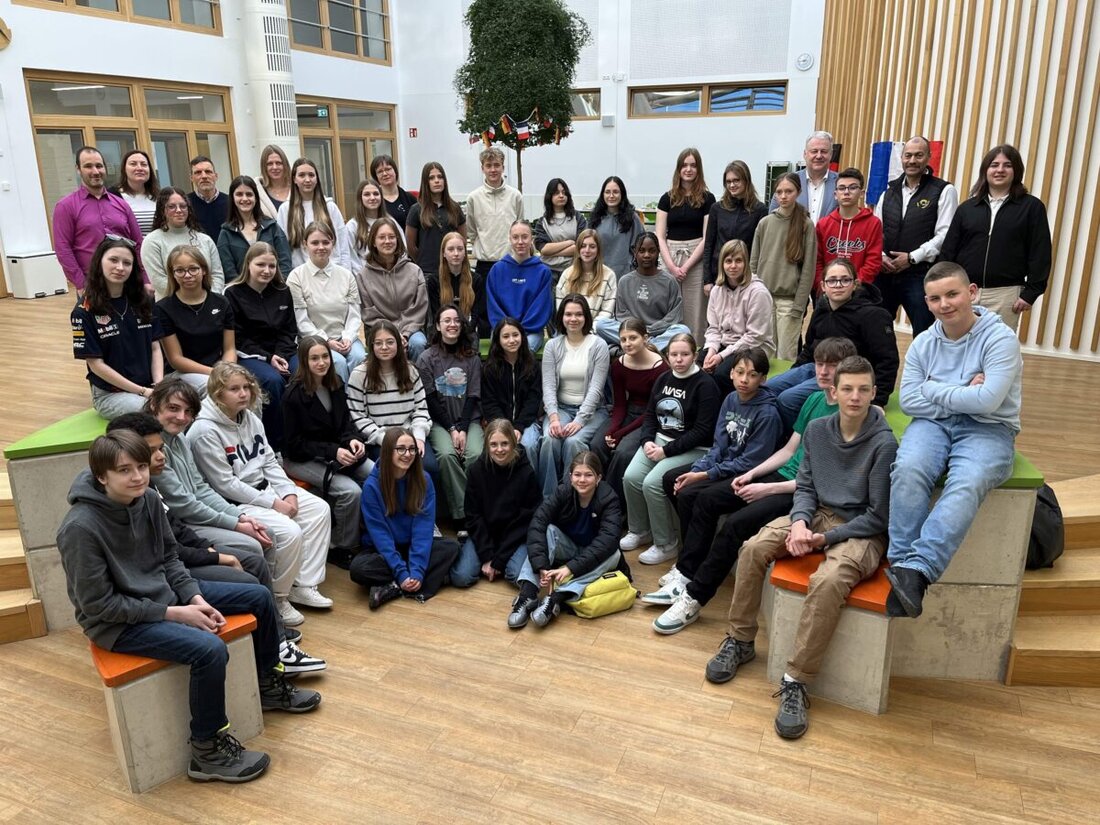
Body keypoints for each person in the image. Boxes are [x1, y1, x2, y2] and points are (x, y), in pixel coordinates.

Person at [56, 431, 320, 784]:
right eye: (124, 470)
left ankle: (268, 683)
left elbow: (169, 559)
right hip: (117, 624)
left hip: (164, 595)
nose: (137, 476)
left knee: (258, 596)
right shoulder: (79, 529)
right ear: (102, 476)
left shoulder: (148, 499)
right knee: (209, 649)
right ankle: (206, 751)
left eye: (141, 467)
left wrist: (194, 598)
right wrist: (176, 613)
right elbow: (99, 605)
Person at [705, 356, 896, 742]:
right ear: (833, 392)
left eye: (863, 390)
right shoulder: (817, 430)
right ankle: (740, 640)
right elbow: (806, 486)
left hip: (860, 529)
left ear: (874, 393)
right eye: (847, 389)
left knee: (828, 581)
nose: (855, 397)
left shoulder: (884, 443)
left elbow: (878, 516)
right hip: (817, 514)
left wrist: (822, 540)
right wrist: (799, 523)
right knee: (753, 547)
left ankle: (796, 679)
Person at [649, 338, 856, 634]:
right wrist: (752, 475)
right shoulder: (814, 400)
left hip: (798, 491)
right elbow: (788, 451)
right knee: (705, 500)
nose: (823, 371)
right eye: (819, 364)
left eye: (831, 366)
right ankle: (686, 572)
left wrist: (765, 488)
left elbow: (822, 480)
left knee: (735, 524)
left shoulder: (845, 416)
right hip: (777, 475)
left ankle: (693, 598)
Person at [104, 412, 325, 672]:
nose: (161, 457)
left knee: (253, 561)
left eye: (160, 449)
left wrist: (213, 543)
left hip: (174, 568)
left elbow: (175, 532)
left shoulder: (148, 491)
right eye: (150, 452)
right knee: (250, 582)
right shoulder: (127, 498)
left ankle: (274, 639)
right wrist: (216, 556)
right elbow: (168, 552)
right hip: (162, 585)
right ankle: (272, 655)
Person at [885, 262, 1023, 617]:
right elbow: (909, 400)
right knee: (908, 469)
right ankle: (900, 567)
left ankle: (918, 570)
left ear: (971, 292)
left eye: (952, 294)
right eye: (935, 298)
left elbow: (987, 401)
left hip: (989, 427)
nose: (944, 304)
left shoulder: (1000, 339)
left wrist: (933, 388)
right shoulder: (923, 343)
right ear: (926, 302)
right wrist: (963, 389)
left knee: (968, 481)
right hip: (933, 423)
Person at [142, 378, 310, 630]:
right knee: (252, 544)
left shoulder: (179, 439)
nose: (181, 417)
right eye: (173, 408)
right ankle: (266, 617)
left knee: (267, 532)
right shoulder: (153, 448)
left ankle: (273, 607)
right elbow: (184, 505)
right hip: (185, 525)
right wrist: (236, 523)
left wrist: (240, 517)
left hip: (195, 517)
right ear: (154, 404)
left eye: (188, 411)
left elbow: (200, 488)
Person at [647, 347, 783, 633]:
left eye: (752, 375)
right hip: (724, 466)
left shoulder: (767, 413)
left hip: (747, 475)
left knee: (700, 496)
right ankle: (687, 565)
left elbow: (751, 462)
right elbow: (719, 447)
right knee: (674, 481)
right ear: (731, 373)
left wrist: (704, 474)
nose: (744, 379)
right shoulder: (730, 399)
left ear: (763, 379)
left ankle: (688, 569)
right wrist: (698, 469)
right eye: (740, 372)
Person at [188, 362, 334, 613]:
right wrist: (274, 504)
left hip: (267, 489)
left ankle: (303, 585)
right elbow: (225, 484)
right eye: (234, 389)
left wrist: (288, 491)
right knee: (289, 532)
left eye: (246, 387)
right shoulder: (204, 431)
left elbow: (269, 461)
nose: (243, 393)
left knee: (319, 509)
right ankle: (278, 598)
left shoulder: (250, 417)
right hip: (235, 503)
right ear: (218, 393)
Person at [619, 332, 719, 565]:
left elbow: (703, 430)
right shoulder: (663, 379)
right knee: (631, 477)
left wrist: (666, 451)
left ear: (695, 355)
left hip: (693, 448)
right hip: (658, 441)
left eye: (685, 354)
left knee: (652, 483)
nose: (679, 359)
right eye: (674, 354)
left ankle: (666, 544)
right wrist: (646, 441)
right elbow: (650, 415)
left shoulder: (706, 385)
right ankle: (640, 530)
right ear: (667, 356)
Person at [768, 259, 899, 426]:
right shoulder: (821, 310)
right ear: (823, 286)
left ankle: (799, 436)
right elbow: (809, 348)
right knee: (768, 388)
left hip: (845, 376)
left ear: (855, 284)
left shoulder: (873, 315)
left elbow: (887, 360)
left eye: (845, 280)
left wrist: (878, 400)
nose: (838, 285)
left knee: (788, 399)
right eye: (832, 280)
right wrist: (794, 374)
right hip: (815, 368)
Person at [940, 144, 1052, 331]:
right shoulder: (967, 208)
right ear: (985, 170)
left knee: (996, 346)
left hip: (1006, 295)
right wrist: (945, 287)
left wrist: (1031, 293)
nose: (1000, 170)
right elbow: (948, 251)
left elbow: (1040, 253)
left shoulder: (1032, 207)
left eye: (1007, 165)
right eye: (994, 165)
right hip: (964, 292)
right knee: (959, 343)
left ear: (1016, 171)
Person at [282, 336, 372, 566]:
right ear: (304, 361)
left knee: (375, 472)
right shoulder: (292, 396)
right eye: (314, 358)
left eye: (325, 356)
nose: (321, 362)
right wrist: (334, 451)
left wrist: (353, 440)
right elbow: (294, 445)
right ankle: (341, 546)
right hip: (301, 459)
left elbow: (345, 424)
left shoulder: (336, 382)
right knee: (351, 492)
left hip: (334, 452)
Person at [350, 427, 460, 608]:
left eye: (412, 449)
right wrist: (401, 572)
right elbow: (380, 536)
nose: (407, 454)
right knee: (359, 568)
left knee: (452, 547)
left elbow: (423, 530)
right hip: (382, 550)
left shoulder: (424, 480)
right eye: (401, 449)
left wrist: (416, 571)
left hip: (411, 545)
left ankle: (393, 586)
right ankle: (410, 581)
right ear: (388, 451)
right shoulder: (372, 486)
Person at [514, 451, 624, 628]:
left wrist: (570, 568)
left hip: (592, 555)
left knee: (614, 553)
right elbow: (538, 522)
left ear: (598, 478)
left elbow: (607, 541)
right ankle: (528, 594)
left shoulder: (609, 498)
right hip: (569, 547)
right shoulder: (562, 491)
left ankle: (556, 599)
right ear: (570, 476)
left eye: (588, 475)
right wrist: (541, 566)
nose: (582, 480)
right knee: (548, 530)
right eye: (577, 474)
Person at [874, 136, 959, 336]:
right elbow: (875, 231)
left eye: (919, 155)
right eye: (908, 155)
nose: (912, 160)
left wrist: (912, 257)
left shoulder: (944, 191)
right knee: (877, 330)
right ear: (902, 158)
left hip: (920, 274)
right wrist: (882, 256)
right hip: (886, 273)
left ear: (929, 157)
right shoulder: (888, 192)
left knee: (925, 333)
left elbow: (945, 234)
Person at [71, 237, 163, 420]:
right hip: (111, 394)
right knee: (160, 413)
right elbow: (96, 365)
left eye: (127, 263)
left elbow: (155, 348)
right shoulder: (83, 311)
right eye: (113, 260)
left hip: (149, 387)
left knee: (186, 403)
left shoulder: (144, 301)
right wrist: (143, 392)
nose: (120, 267)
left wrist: (159, 387)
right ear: (99, 262)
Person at [224, 242, 299, 450]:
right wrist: (268, 357)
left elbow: (289, 329)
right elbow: (238, 337)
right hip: (250, 355)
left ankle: (304, 436)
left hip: (283, 352)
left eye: (272, 266)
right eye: (260, 265)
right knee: (273, 381)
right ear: (248, 264)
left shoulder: (283, 291)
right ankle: (276, 445)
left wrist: (280, 354)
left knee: (304, 373)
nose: (267, 270)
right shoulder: (232, 293)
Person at [416, 306, 484, 528]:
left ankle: (477, 509)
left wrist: (462, 428)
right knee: (446, 455)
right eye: (446, 320)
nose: (452, 324)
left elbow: (473, 395)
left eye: (456, 320)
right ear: (438, 325)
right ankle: (464, 516)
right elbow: (430, 399)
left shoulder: (472, 357)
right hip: (440, 423)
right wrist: (452, 429)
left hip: (469, 420)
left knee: (475, 454)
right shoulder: (426, 358)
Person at [454, 419, 542, 593]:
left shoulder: (526, 472)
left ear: (513, 443)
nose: (499, 449)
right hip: (485, 533)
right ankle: (477, 554)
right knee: (461, 576)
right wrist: (487, 556)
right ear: (487, 445)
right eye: (493, 444)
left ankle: (501, 564)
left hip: (516, 537)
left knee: (517, 575)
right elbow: (473, 515)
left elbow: (526, 520)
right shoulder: (476, 471)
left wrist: (500, 559)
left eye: (504, 444)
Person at [538, 294, 611, 497]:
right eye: (568, 314)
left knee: (573, 442)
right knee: (549, 439)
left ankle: (571, 496)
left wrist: (579, 421)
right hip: (560, 409)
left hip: (592, 412)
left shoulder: (598, 345)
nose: (573, 319)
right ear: (561, 317)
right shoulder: (553, 346)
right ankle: (549, 498)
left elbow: (596, 389)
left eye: (579, 314)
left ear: (586, 317)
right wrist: (553, 418)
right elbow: (548, 386)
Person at [590, 317, 668, 502]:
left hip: (650, 417)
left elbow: (652, 411)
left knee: (623, 453)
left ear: (645, 338)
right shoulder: (619, 365)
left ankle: (612, 501)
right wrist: (612, 430)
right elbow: (619, 404)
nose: (627, 343)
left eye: (633, 338)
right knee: (597, 444)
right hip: (627, 411)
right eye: (623, 339)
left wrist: (621, 433)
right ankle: (594, 493)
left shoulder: (660, 368)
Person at [54, 146, 145, 295]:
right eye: (88, 166)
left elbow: (138, 242)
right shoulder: (66, 206)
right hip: (91, 285)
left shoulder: (121, 204)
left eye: (99, 166)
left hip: (126, 282)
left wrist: (144, 279)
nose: (95, 171)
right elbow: (63, 248)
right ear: (78, 169)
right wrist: (81, 284)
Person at [347, 320, 435, 470]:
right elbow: (358, 418)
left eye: (390, 342)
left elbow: (421, 409)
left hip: (410, 436)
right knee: (393, 470)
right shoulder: (359, 375)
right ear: (371, 346)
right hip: (379, 440)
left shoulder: (411, 371)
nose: (384, 347)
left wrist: (418, 437)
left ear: (398, 344)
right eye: (378, 343)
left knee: (429, 467)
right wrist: (387, 441)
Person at [286, 222, 364, 382]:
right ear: (305, 244)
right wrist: (327, 342)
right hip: (314, 340)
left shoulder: (346, 276)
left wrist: (348, 337)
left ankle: (358, 397)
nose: (321, 247)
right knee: (338, 363)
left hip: (345, 338)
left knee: (359, 357)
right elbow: (301, 321)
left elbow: (354, 315)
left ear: (333, 243)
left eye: (325, 242)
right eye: (315, 243)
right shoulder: (296, 277)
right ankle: (342, 398)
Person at [750, 172, 816, 360]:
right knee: (764, 354)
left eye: (789, 191)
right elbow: (753, 263)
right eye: (779, 192)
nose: (783, 196)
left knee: (786, 355)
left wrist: (799, 306)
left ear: (798, 192)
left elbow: (808, 270)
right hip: (764, 298)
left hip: (789, 302)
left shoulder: (806, 225)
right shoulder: (765, 223)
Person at [700, 239, 776, 398]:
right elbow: (713, 328)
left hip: (753, 346)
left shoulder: (758, 292)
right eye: (728, 261)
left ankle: (727, 407)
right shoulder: (716, 291)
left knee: (722, 374)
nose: (733, 266)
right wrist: (711, 351)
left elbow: (755, 336)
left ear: (746, 263)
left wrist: (721, 356)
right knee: (698, 366)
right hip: (724, 342)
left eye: (738, 261)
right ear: (722, 264)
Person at [156, 245, 236, 394]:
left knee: (247, 387)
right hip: (180, 374)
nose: (187, 275)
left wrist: (227, 371)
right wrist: (215, 374)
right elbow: (176, 359)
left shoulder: (222, 302)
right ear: (172, 274)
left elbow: (230, 349)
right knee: (216, 389)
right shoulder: (163, 308)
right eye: (180, 270)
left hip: (219, 369)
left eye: (193, 269)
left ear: (204, 270)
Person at [655, 148, 716, 340]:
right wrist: (672, 267)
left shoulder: (708, 199)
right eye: (684, 165)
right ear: (678, 168)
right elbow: (659, 236)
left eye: (693, 165)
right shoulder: (667, 199)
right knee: (668, 308)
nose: (688, 169)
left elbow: (707, 237)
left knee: (695, 311)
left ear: (699, 169)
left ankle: (695, 348)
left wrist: (686, 267)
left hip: (696, 258)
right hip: (669, 256)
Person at [354, 217, 429, 361]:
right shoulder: (363, 276)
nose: (387, 241)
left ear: (398, 240)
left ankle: (418, 376)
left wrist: (405, 334)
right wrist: (392, 334)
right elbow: (369, 314)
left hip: (411, 331)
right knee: (385, 344)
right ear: (373, 242)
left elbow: (419, 308)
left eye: (391, 237)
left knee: (418, 343)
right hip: (379, 331)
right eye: (382, 237)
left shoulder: (414, 271)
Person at [602, 232, 691, 351]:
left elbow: (674, 316)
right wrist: (639, 330)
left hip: (659, 332)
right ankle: (649, 346)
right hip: (632, 332)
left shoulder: (669, 281)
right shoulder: (624, 281)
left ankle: (644, 346)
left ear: (658, 252)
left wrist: (650, 330)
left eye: (651, 251)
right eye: (642, 251)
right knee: (602, 325)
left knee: (683, 330)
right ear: (635, 252)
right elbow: (621, 314)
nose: (647, 255)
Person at [142, 187, 225, 299]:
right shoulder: (152, 241)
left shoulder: (205, 240)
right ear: (162, 210)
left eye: (183, 206)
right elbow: (159, 280)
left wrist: (209, 299)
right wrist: (189, 300)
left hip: (209, 303)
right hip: (171, 305)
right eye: (171, 206)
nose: (178, 210)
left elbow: (217, 275)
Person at [481, 317, 543, 467]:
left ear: (522, 336)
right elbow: (489, 403)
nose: (512, 340)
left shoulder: (532, 365)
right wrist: (506, 428)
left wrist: (519, 427)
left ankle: (530, 481)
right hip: (498, 423)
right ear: (498, 340)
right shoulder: (490, 368)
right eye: (506, 336)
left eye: (515, 335)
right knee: (498, 447)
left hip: (526, 423)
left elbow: (533, 400)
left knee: (529, 445)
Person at [486, 220, 553, 352]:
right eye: (515, 237)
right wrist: (507, 329)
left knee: (524, 351)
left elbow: (541, 308)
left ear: (531, 239)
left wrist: (519, 331)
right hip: (503, 330)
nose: (520, 242)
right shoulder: (497, 270)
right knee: (500, 351)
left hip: (531, 331)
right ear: (510, 239)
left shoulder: (543, 272)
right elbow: (493, 306)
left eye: (525, 237)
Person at [702, 161, 767, 296]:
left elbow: (761, 249)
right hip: (719, 276)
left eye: (736, 180)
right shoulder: (717, 209)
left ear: (746, 180)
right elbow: (709, 244)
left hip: (746, 278)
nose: (732, 185)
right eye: (728, 181)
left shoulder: (760, 210)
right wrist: (707, 280)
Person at [814, 167, 882, 293]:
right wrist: (823, 286)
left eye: (852, 187)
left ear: (861, 193)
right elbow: (817, 261)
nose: (846, 192)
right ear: (835, 194)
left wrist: (855, 285)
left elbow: (873, 262)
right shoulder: (823, 224)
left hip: (860, 291)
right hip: (828, 291)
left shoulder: (873, 223)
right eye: (842, 188)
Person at [277, 157, 352, 270]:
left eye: (311, 175)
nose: (307, 180)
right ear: (294, 179)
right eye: (302, 175)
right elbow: (282, 249)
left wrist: (345, 273)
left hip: (332, 272)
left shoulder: (330, 207)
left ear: (317, 179)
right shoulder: (285, 210)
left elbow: (343, 246)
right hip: (301, 275)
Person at [217, 175, 293, 279]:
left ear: (256, 198)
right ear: (232, 198)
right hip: (241, 289)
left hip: (274, 287)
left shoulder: (272, 227)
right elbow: (229, 272)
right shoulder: (226, 233)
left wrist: (277, 286)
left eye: (249, 194)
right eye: (239, 194)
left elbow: (285, 263)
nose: (245, 199)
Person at [466, 147, 524, 282]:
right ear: (483, 169)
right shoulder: (473, 198)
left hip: (511, 262)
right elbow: (472, 231)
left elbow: (520, 228)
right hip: (484, 265)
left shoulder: (515, 196)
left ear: (503, 167)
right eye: (488, 165)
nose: (493, 169)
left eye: (497, 165)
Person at [405, 162, 465, 280]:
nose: (437, 181)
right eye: (431, 178)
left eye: (440, 177)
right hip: (427, 272)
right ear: (425, 182)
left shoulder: (455, 208)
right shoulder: (416, 210)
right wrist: (423, 260)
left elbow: (462, 239)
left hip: (452, 270)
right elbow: (410, 245)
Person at [555, 228, 617, 338]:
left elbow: (607, 312)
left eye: (592, 246)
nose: (587, 250)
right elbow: (561, 309)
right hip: (571, 327)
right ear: (578, 249)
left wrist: (589, 330)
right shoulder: (567, 275)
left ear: (598, 250)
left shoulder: (609, 275)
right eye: (583, 246)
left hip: (596, 330)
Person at [428, 231, 487, 341]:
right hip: (443, 333)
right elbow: (436, 315)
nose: (456, 253)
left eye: (460, 249)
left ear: (465, 253)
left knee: (473, 340)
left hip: (467, 332)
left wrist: (463, 332)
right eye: (451, 249)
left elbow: (475, 316)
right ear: (444, 253)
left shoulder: (476, 280)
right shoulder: (434, 281)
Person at [771, 131, 839, 224]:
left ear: (831, 154)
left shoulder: (841, 183)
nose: (819, 156)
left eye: (824, 151)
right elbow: (773, 219)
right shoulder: (789, 182)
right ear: (805, 154)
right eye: (814, 151)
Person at [588, 175, 645, 278]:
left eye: (615, 192)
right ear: (602, 194)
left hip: (626, 275)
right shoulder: (595, 218)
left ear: (622, 194)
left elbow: (640, 246)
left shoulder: (632, 218)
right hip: (599, 274)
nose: (611, 196)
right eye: (607, 192)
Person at [534, 178, 587, 284]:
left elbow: (581, 247)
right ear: (549, 196)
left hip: (574, 270)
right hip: (549, 271)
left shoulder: (578, 218)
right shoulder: (543, 222)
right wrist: (569, 242)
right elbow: (543, 249)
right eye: (557, 193)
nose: (561, 195)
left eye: (564, 192)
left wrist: (552, 252)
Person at [109, 149, 160, 237]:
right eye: (133, 164)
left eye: (144, 164)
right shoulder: (112, 196)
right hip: (127, 245)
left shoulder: (159, 196)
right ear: (124, 169)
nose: (139, 168)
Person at [345, 180, 386, 277]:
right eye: (367, 194)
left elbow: (402, 250)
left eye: (376, 194)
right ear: (360, 198)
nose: (372, 198)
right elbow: (351, 257)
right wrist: (363, 278)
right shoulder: (352, 226)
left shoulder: (390, 222)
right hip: (365, 279)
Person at [187, 156, 230, 241]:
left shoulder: (230, 202)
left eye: (208, 172)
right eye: (198, 172)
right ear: (191, 178)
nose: (204, 176)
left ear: (216, 176)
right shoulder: (185, 204)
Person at [370, 154, 417, 229]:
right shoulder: (373, 200)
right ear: (376, 177)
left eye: (388, 169)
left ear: (395, 171)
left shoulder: (410, 199)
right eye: (380, 171)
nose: (385, 174)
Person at [256, 144, 293, 218]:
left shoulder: (297, 188)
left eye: (278, 163)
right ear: (264, 167)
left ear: (285, 165)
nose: (275, 167)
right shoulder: (257, 191)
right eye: (270, 164)